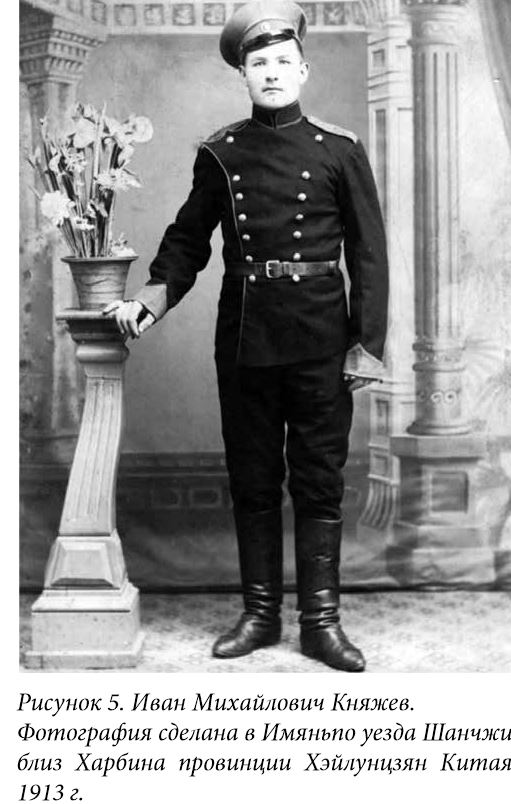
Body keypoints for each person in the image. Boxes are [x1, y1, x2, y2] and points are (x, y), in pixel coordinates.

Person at [104, 0, 388, 672]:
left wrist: (366, 345)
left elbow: (368, 254)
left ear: (303, 70)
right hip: (246, 338)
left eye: (283, 61)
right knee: (253, 478)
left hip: (322, 339)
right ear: (243, 74)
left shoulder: (339, 149)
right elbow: (186, 241)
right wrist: (150, 300)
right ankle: (260, 615)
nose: (272, 73)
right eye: (259, 64)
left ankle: (321, 624)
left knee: (317, 481)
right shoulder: (221, 153)